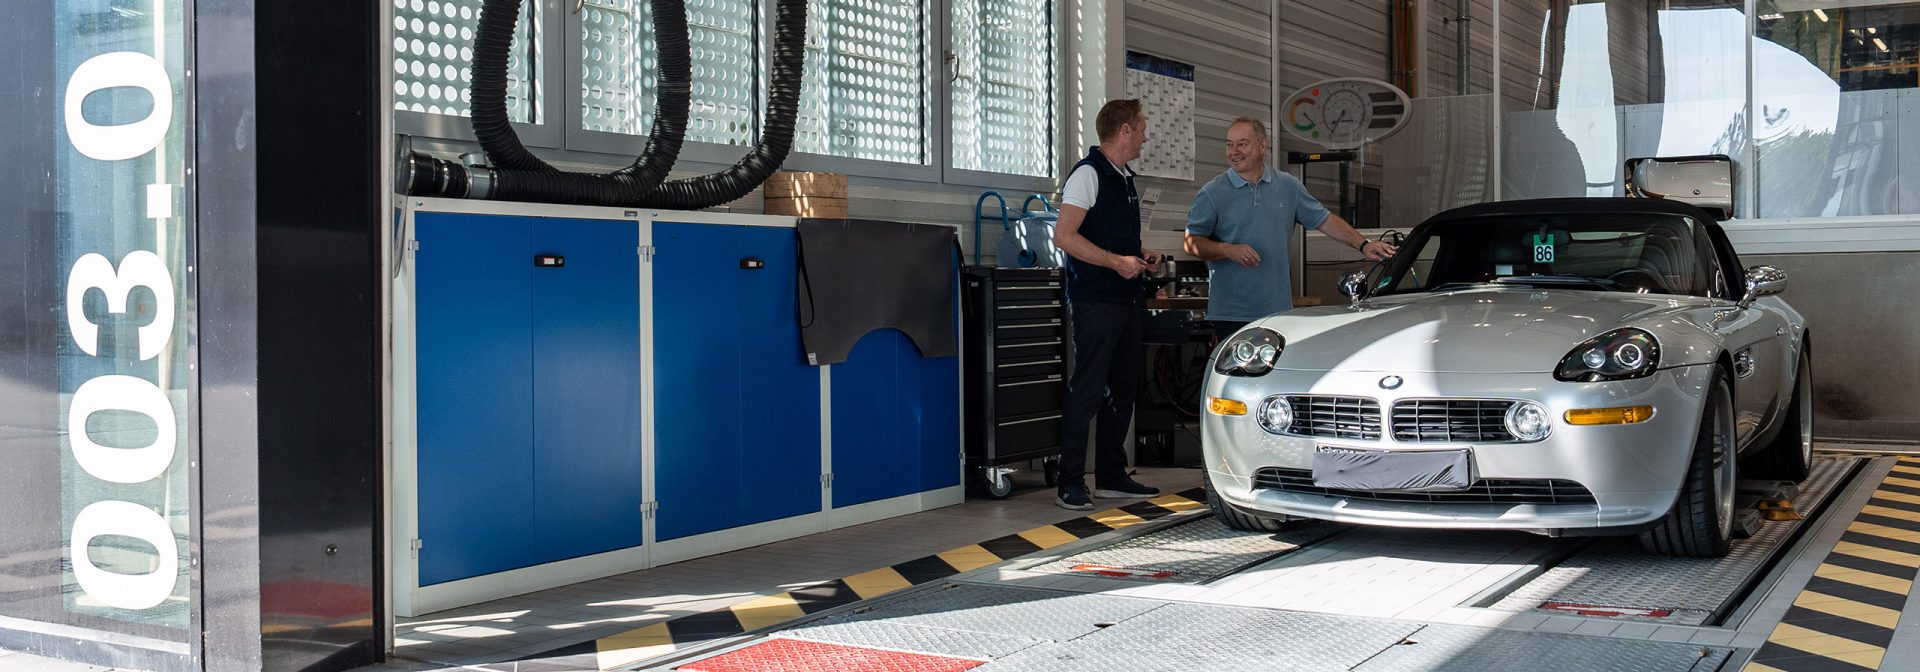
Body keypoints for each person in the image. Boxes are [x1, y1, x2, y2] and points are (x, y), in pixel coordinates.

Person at [1185, 117, 1396, 341]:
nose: (1233, 151)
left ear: (1262, 145)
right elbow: (1191, 243)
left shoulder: (1288, 186)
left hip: (1277, 311)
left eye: (1242, 144)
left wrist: (1363, 245)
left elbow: (1324, 220)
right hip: (1231, 314)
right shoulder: (1212, 192)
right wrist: (1228, 250)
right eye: (1229, 144)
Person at [1050, 99, 1164, 510]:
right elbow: (1064, 236)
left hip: (1126, 300)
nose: (1145, 136)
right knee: (1088, 389)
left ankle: (1111, 475)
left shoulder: (1124, 178)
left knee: (1123, 388)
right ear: (1125, 130)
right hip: (1095, 300)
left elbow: (1109, 236)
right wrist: (1117, 262)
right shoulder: (1088, 174)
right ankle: (1070, 480)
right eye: (1142, 127)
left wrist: (1140, 255)